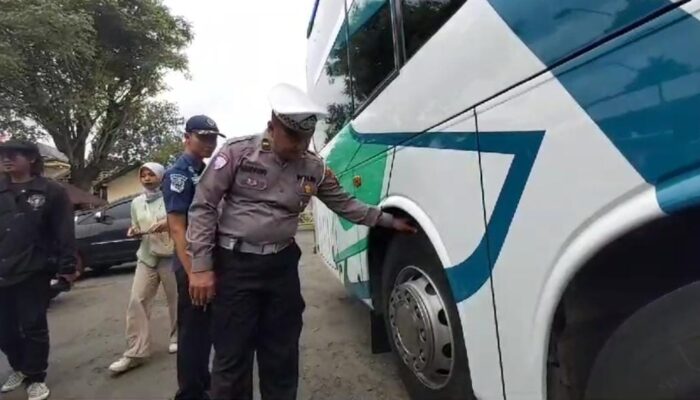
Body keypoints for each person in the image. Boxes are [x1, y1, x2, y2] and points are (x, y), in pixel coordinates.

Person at [186, 83, 417, 400]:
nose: (300, 145)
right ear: (272, 126)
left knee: (282, 354)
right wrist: (200, 267)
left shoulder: (313, 167)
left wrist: (390, 221)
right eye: (293, 136)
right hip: (236, 266)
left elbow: (346, 204)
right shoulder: (237, 153)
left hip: (281, 268)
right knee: (231, 358)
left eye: (306, 138)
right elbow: (203, 206)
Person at [0, 140, 77, 400]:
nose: (6, 159)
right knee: (5, 330)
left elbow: (65, 232)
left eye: (14, 154)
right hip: (2, 270)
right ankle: (20, 366)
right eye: (3, 155)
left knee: (33, 325)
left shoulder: (51, 191)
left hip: (34, 269)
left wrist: (67, 268)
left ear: (31, 158)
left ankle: (35, 376)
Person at [163, 115, 227, 400]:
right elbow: (177, 227)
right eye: (203, 137)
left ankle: (204, 384)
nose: (209, 143)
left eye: (213, 138)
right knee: (193, 333)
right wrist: (193, 273)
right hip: (191, 263)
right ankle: (190, 392)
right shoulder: (179, 173)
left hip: (211, 257)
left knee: (208, 331)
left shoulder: (206, 170)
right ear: (186, 137)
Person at [109, 162, 179, 374]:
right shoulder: (136, 202)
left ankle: (177, 337)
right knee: (137, 301)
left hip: (170, 254)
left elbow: (182, 221)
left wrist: (168, 224)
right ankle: (135, 351)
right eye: (144, 175)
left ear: (161, 176)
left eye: (151, 174)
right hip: (147, 256)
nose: (147, 178)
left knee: (176, 300)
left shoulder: (172, 197)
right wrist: (134, 230)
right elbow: (135, 224)